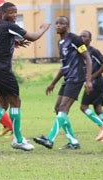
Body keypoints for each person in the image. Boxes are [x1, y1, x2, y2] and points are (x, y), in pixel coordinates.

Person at [0, 2, 50, 154]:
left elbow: (1, 41)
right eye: (11, 12)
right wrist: (43, 28)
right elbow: (33, 37)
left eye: (16, 12)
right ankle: (18, 139)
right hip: (3, 70)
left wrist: (15, 42)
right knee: (16, 102)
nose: (14, 15)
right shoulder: (8, 25)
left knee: (3, 103)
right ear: (3, 13)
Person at [34, 16, 93, 150]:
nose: (58, 25)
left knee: (63, 108)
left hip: (77, 78)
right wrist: (53, 83)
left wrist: (88, 80)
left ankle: (50, 139)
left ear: (67, 26)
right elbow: (64, 65)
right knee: (58, 109)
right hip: (68, 78)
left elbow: (88, 59)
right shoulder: (60, 42)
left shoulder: (75, 39)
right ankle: (73, 141)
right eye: (56, 23)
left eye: (61, 23)